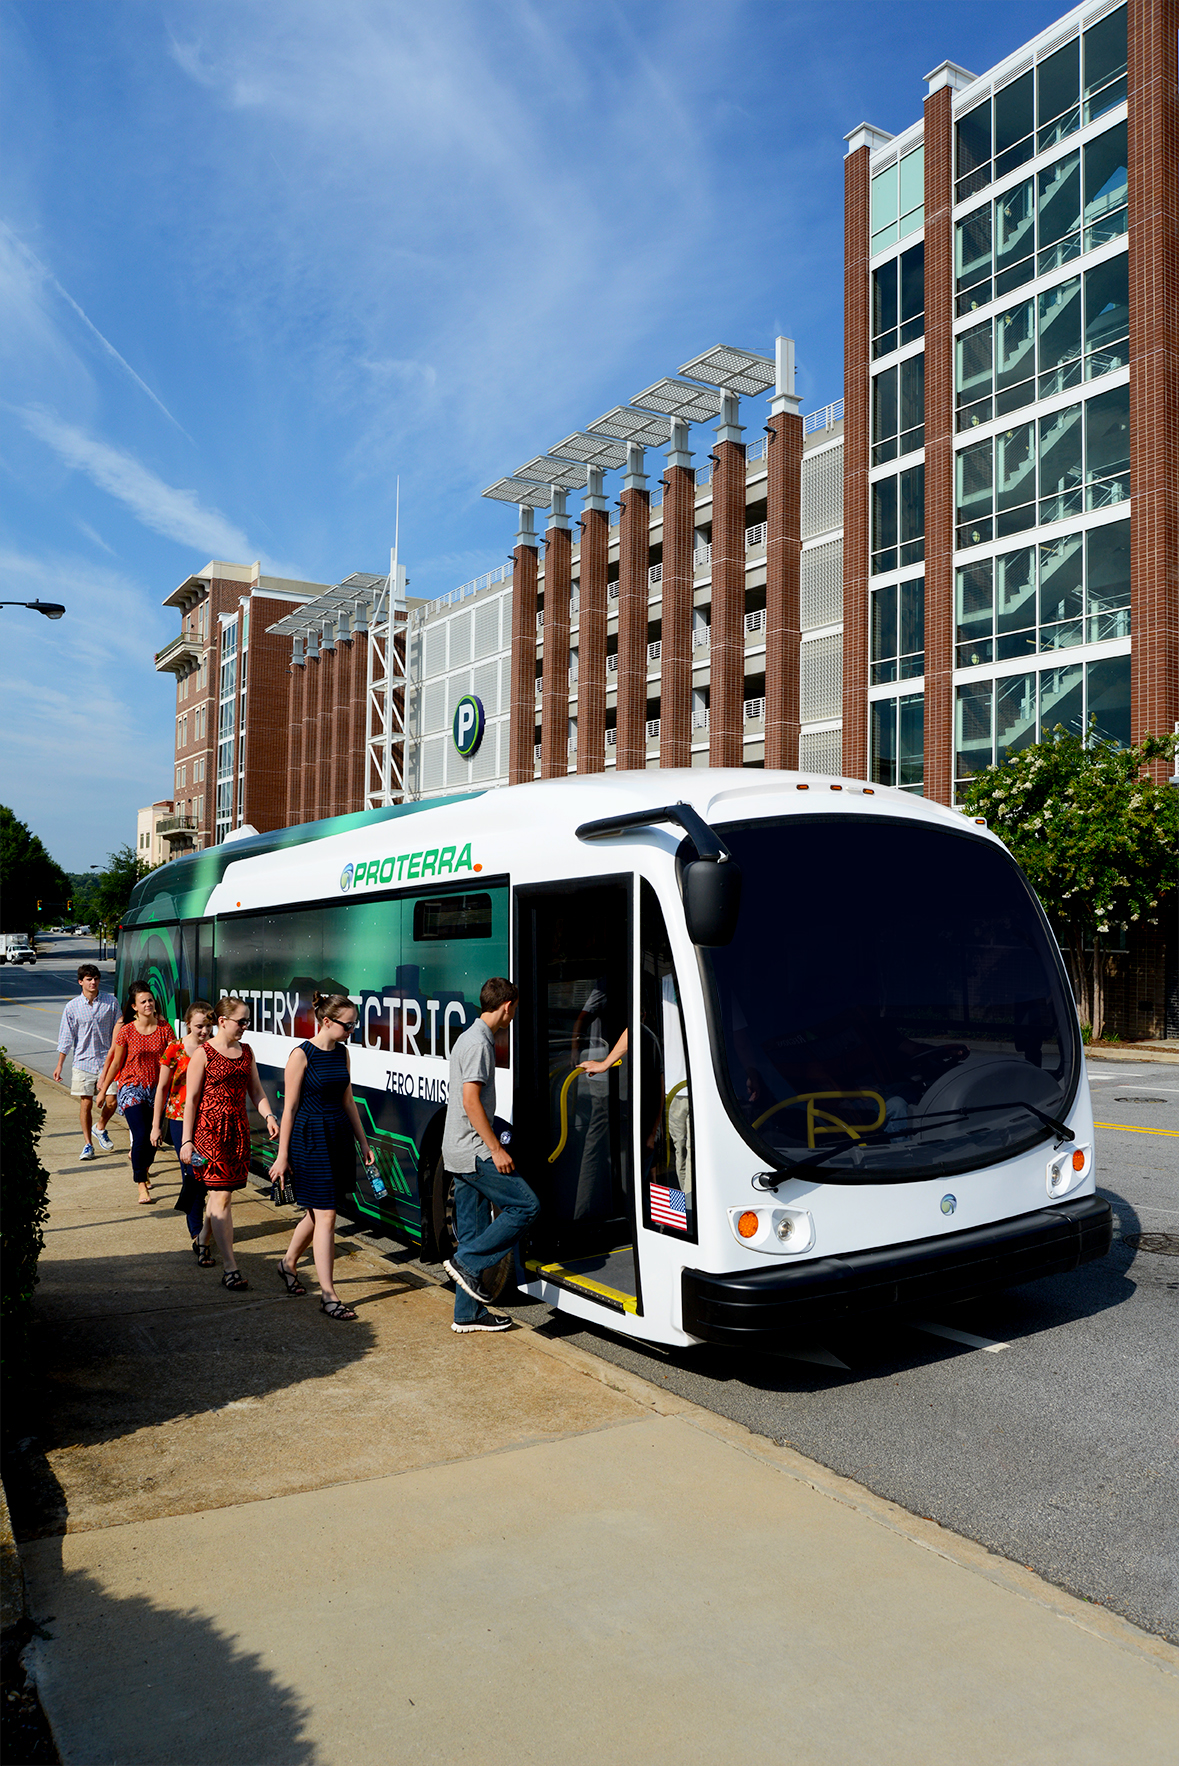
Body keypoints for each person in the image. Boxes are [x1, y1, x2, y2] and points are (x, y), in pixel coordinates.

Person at [441, 977, 538, 1334]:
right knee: (527, 1206)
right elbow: (470, 1100)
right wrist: (496, 1149)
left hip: (457, 1149)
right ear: (507, 1007)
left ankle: (466, 1314)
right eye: (514, 1011)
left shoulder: (468, 1036)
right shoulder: (481, 1043)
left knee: (473, 1231)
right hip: (475, 1151)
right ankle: (466, 1262)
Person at [269, 993, 374, 1322]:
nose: (352, 1031)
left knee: (318, 1214)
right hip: (310, 1138)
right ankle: (329, 1295)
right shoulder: (301, 1055)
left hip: (338, 1136)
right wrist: (282, 1155)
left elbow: (349, 1101)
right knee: (327, 1215)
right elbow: (289, 1109)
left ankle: (287, 1263)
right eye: (348, 1025)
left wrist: (364, 1143)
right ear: (327, 1021)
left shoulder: (342, 1053)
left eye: (355, 1024)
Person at [180, 997, 279, 1291]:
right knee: (220, 1196)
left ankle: (201, 1241)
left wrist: (270, 1115)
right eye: (242, 1021)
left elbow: (257, 1091)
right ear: (222, 1021)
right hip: (209, 1133)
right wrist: (187, 1141)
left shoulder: (246, 1052)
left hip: (237, 1132)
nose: (246, 1027)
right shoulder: (203, 1054)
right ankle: (230, 1268)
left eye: (248, 1021)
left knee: (223, 1196)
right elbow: (192, 1101)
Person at [94, 983, 173, 1203]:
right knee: (140, 1135)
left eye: (150, 1000)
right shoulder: (127, 1030)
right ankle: (141, 1186)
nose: (148, 1004)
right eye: (143, 1002)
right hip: (132, 1087)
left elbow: (174, 1059)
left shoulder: (165, 1028)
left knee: (153, 1138)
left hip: (158, 1089)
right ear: (134, 1007)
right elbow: (116, 1062)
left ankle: (144, 1166)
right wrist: (103, 1090)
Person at [150, 1001, 216, 1264]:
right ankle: (197, 1231)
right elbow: (162, 1088)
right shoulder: (174, 1049)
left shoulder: (215, 1049)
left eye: (209, 1026)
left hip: (208, 1119)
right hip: (179, 1120)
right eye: (200, 1026)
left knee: (209, 1173)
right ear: (188, 1023)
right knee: (192, 1171)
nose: (204, 1031)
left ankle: (204, 1226)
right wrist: (156, 1126)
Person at [53, 963, 120, 1161]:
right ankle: (88, 1144)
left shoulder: (111, 1002)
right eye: (89, 979)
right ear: (81, 982)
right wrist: (60, 1064)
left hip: (107, 1062)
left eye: (96, 978)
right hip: (83, 1062)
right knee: (85, 1103)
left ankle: (100, 1127)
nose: (93, 982)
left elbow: (120, 1028)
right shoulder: (72, 1007)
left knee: (112, 1100)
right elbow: (66, 1037)